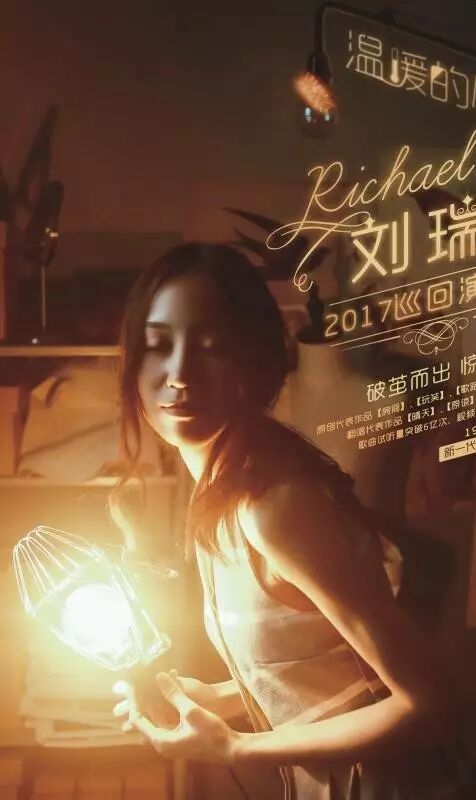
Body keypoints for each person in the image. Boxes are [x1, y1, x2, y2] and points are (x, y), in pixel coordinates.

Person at [112, 242, 455, 799]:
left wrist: (234, 747)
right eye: (158, 345)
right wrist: (218, 697)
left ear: (253, 362)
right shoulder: (220, 492)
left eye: (212, 347)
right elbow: (326, 668)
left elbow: (429, 703)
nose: (178, 373)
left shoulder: (273, 506)